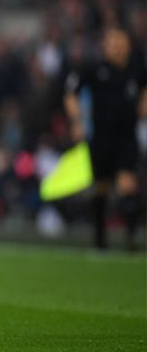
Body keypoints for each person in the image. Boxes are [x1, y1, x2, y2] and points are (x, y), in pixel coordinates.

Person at [64, 28, 147, 251]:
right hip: (101, 137)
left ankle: (131, 237)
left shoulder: (138, 68)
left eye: (119, 41)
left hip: (127, 137)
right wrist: (76, 122)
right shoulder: (95, 68)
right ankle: (100, 238)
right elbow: (71, 92)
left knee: (127, 184)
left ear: (127, 44)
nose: (115, 46)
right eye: (110, 42)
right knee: (101, 187)